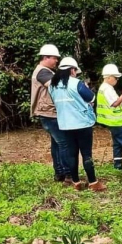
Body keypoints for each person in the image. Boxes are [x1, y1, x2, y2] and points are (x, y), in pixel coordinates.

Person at [49, 57, 106, 192]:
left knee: (71, 154)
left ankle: (76, 181)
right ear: (72, 70)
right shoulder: (76, 83)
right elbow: (91, 98)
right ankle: (93, 182)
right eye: (75, 70)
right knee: (86, 154)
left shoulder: (52, 85)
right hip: (82, 124)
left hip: (64, 125)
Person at [30, 44, 70, 183]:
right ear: (46, 57)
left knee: (57, 143)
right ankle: (68, 175)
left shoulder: (46, 71)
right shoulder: (43, 72)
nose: (57, 61)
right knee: (64, 143)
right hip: (49, 114)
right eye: (55, 58)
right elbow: (57, 86)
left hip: (50, 113)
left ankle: (59, 174)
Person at [96, 64, 122, 171]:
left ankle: (118, 164)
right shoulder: (107, 88)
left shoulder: (104, 88)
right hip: (116, 121)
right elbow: (115, 103)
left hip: (111, 121)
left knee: (118, 143)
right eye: (115, 77)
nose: (117, 80)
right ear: (108, 77)